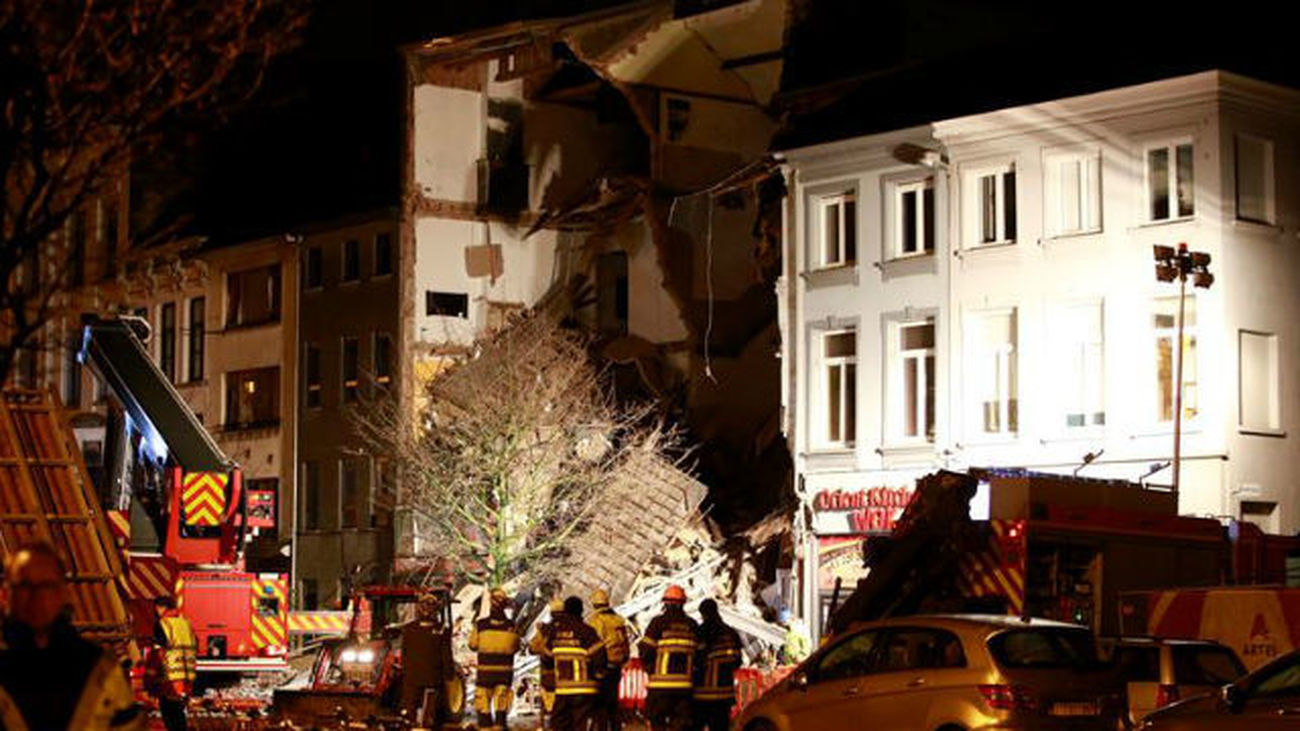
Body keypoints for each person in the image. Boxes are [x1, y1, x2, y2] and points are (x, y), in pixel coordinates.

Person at [0, 541, 141, 730]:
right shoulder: (101, 670)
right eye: (24, 585)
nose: (36, 597)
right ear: (5, 595)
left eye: (46, 586)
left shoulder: (102, 670)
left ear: (64, 593)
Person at [638, 585, 698, 731]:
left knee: (657, 722)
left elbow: (645, 650)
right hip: (685, 686)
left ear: (665, 603)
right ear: (683, 603)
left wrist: (651, 670)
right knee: (681, 725)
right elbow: (700, 655)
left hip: (660, 686)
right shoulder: (692, 625)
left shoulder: (657, 623)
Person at [546, 596, 604, 731]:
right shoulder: (587, 631)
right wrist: (599, 676)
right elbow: (600, 657)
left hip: (562, 689)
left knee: (559, 725)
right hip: (584, 690)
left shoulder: (554, 632)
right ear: (581, 611)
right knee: (581, 725)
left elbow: (547, 658)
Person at [400, 590, 456, 728]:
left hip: (413, 680)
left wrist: (405, 672)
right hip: (432, 679)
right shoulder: (441, 630)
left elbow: (404, 654)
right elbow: (446, 654)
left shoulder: (409, 629)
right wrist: (449, 674)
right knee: (430, 717)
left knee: (411, 715)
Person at [469, 588, 521, 730]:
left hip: (485, 674)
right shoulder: (512, 626)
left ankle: (485, 727)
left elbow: (472, 645)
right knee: (501, 709)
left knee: (483, 708)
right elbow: (516, 647)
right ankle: (499, 726)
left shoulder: (481, 625)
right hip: (504, 674)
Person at [148, 596, 196, 731]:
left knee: (170, 713)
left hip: (169, 676)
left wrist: (151, 679)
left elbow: (158, 654)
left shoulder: (163, 624)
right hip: (186, 675)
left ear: (162, 608)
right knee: (178, 713)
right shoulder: (186, 624)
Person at [693, 599, 742, 731]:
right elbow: (737, 661)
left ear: (703, 614)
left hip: (701, 695)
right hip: (723, 695)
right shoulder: (731, 633)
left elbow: (693, 660)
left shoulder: (699, 632)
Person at [587, 589, 631, 731]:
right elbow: (625, 643)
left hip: (602, 667)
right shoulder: (618, 620)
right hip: (616, 665)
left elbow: (594, 646)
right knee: (613, 703)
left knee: (601, 705)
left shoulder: (595, 621)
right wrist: (624, 659)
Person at [529, 598, 564, 728]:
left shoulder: (545, 630)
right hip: (569, 676)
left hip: (549, 676)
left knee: (550, 708)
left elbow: (533, 648)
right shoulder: (574, 628)